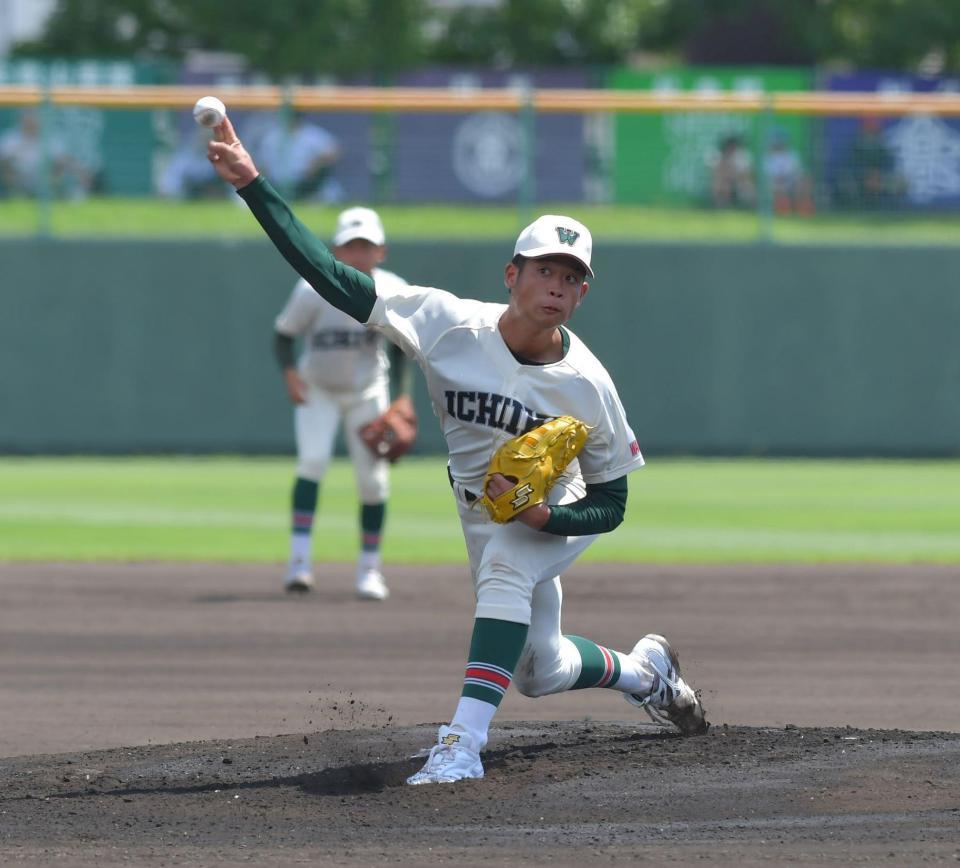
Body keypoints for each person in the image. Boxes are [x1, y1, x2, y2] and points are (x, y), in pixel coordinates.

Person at [207, 116, 708, 786]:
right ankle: (647, 673)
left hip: (551, 509)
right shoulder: (445, 324)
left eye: (571, 276)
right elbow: (329, 276)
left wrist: (546, 519)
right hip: (480, 509)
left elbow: (614, 500)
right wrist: (254, 186)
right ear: (512, 274)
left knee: (506, 570)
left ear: (583, 293)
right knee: (540, 668)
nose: (556, 285)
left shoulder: (589, 387)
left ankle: (460, 744)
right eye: (545, 270)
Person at [274, 206, 414, 601]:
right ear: (335, 249)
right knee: (312, 463)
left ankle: (370, 570)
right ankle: (299, 563)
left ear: (380, 251)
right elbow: (283, 335)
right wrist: (290, 374)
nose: (358, 253)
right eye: (351, 246)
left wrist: (402, 396)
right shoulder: (310, 290)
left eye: (365, 246)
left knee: (373, 482)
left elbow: (403, 347)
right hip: (318, 388)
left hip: (368, 392)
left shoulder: (391, 290)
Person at [0, 110, 92, 199]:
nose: (31, 120)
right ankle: (15, 196)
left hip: (43, 181)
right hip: (18, 181)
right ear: (22, 119)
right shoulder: (11, 138)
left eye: (35, 116)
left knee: (57, 166)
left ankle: (64, 197)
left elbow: (64, 160)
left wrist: (81, 173)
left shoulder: (50, 138)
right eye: (28, 116)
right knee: (7, 166)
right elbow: (4, 161)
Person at [254, 111, 342, 203]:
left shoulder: (312, 134)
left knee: (330, 193)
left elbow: (334, 152)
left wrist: (318, 162)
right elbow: (260, 163)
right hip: (275, 184)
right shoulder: (272, 135)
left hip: (308, 184)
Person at [837, 116, 906, 210]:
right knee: (845, 181)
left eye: (873, 130)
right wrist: (865, 175)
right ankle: (854, 208)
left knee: (901, 182)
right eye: (868, 130)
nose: (871, 133)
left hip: (879, 179)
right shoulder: (855, 145)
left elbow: (889, 165)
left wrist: (878, 176)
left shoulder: (882, 145)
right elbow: (850, 166)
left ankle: (891, 210)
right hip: (860, 180)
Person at [762, 129, 814, 216]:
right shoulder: (768, 157)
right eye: (776, 141)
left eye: (780, 141)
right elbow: (767, 176)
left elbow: (798, 172)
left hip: (790, 182)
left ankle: (803, 210)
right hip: (775, 183)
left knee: (805, 181)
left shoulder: (792, 155)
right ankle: (781, 209)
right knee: (775, 187)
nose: (779, 144)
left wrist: (795, 179)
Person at [707, 133, 756, 209]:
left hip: (738, 180)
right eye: (730, 145)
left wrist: (734, 176)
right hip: (724, 180)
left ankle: (750, 208)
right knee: (720, 182)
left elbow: (746, 173)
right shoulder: (718, 154)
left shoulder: (741, 155)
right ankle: (720, 207)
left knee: (747, 184)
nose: (732, 147)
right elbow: (715, 172)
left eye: (733, 145)